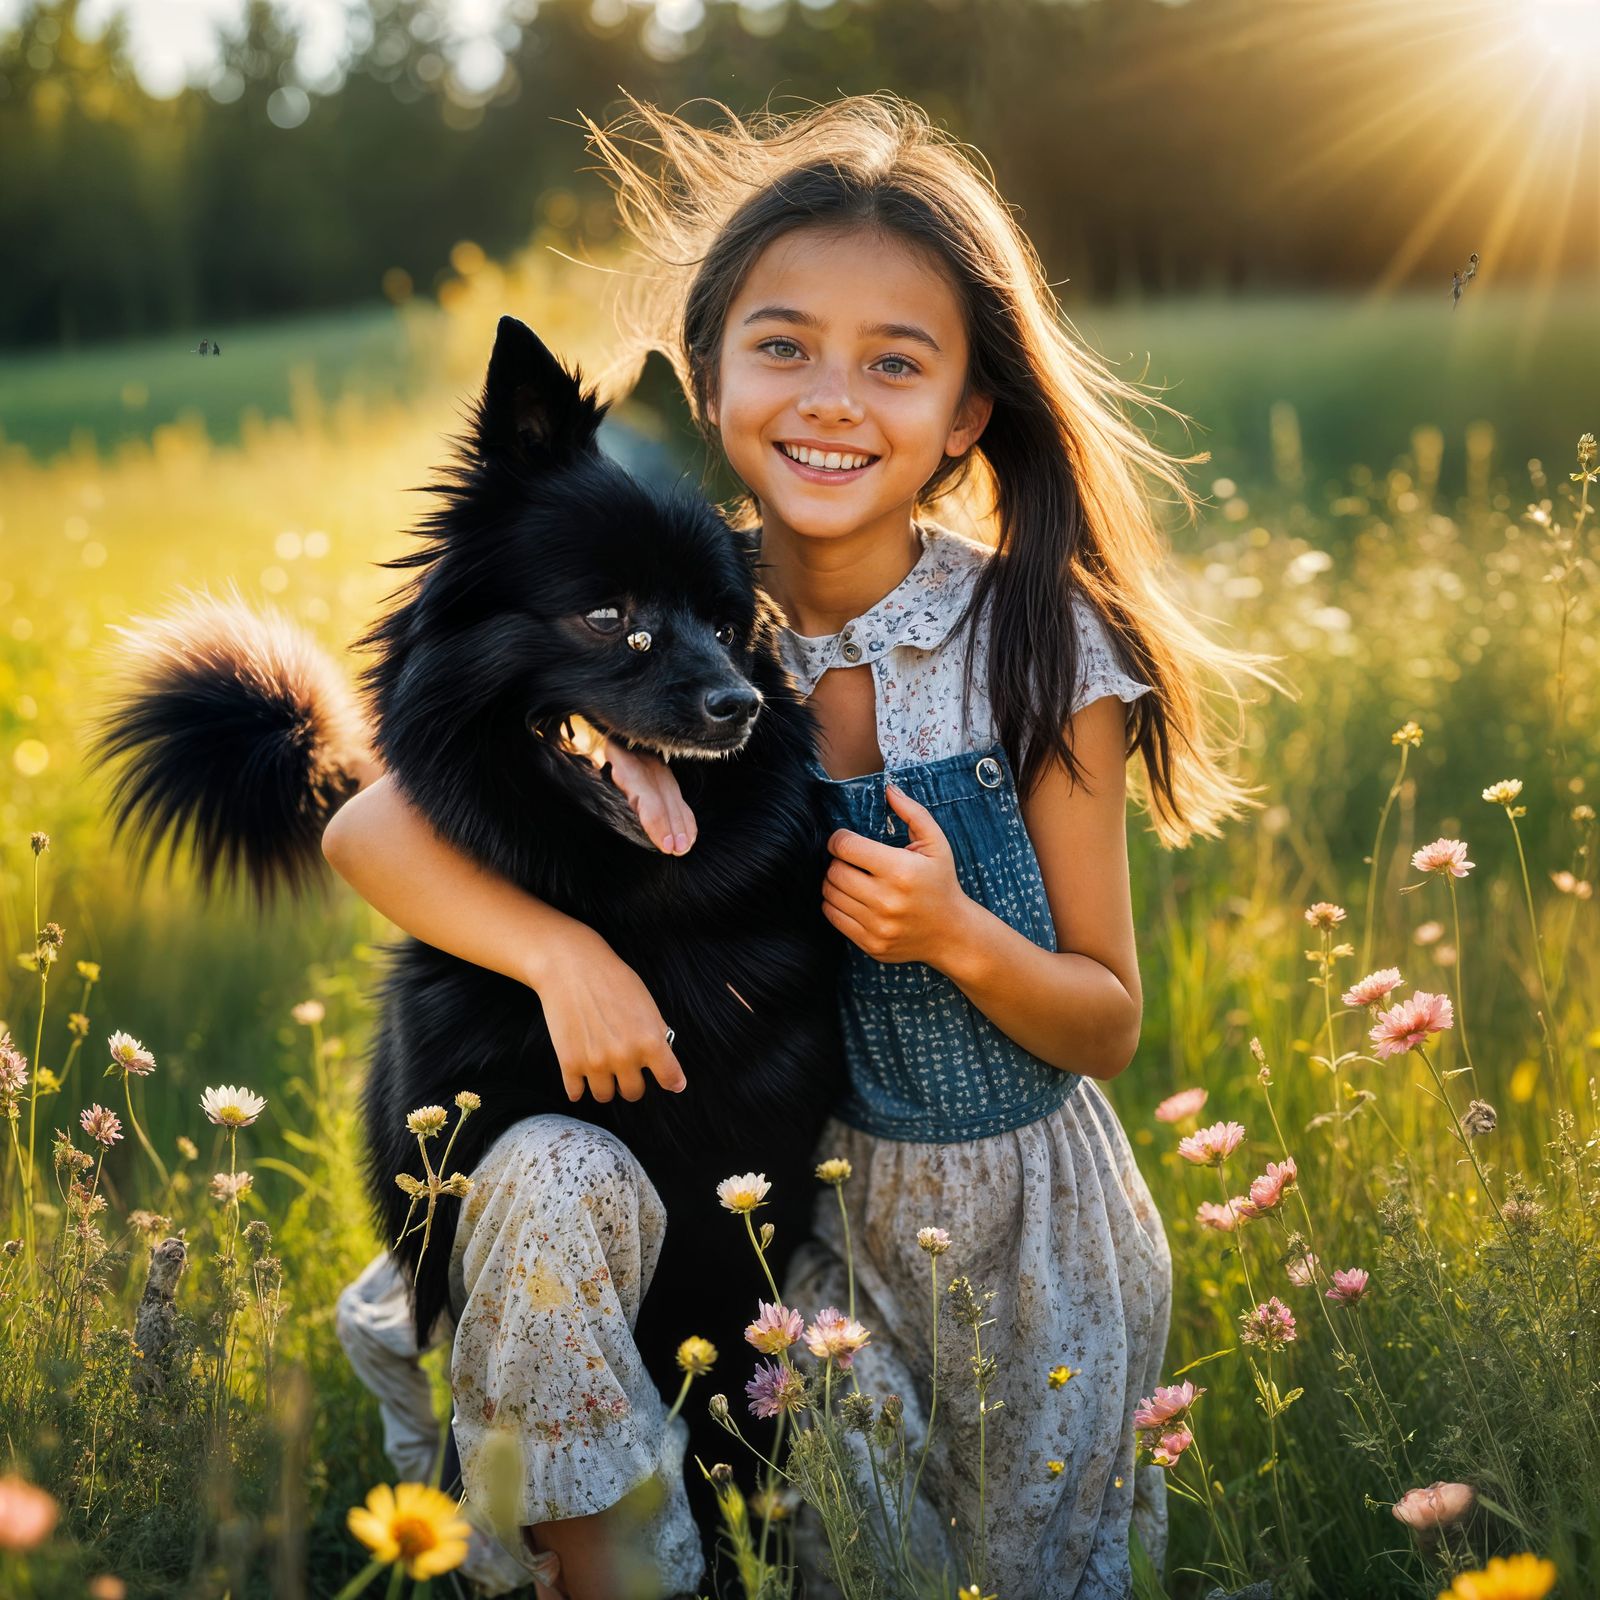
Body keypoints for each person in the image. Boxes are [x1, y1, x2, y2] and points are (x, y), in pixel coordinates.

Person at [325, 92, 1278, 1600]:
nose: (833, 399)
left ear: (967, 414)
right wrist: (561, 954)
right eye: (784, 347)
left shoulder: (1032, 642)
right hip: (798, 1226)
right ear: (708, 382)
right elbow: (374, 819)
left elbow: (1108, 1016)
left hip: (1012, 1234)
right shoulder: (695, 589)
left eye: (895, 365)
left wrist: (958, 936)